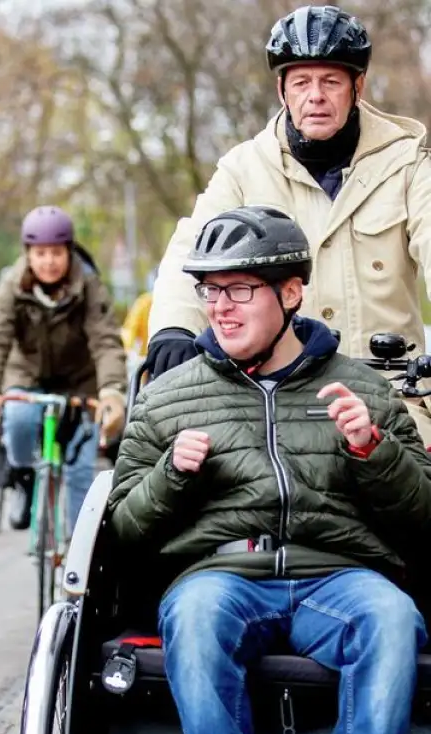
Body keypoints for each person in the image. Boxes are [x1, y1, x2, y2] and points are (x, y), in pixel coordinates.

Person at [110, 206, 431, 734]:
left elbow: (424, 519)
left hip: (338, 573)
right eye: (210, 291)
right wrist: (172, 474)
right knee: (195, 618)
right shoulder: (168, 397)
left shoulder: (364, 389)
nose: (219, 309)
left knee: (393, 618)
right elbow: (123, 531)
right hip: (221, 575)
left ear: (290, 293)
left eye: (238, 290)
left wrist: (374, 451)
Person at [145, 5, 431, 441]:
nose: (315, 95)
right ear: (282, 91)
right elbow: (191, 250)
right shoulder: (243, 169)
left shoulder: (408, 162)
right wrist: (172, 327)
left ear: (358, 87)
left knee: (412, 488)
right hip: (274, 397)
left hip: (392, 396)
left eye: (331, 81)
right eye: (301, 82)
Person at [0, 206, 127, 532]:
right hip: (25, 375)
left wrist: (112, 390)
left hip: (79, 381)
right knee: (18, 421)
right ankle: (24, 479)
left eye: (56, 253)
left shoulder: (89, 285)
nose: (48, 261)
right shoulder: (11, 287)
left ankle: (77, 552)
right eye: (40, 253)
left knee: (80, 469)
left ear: (68, 251)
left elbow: (106, 343)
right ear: (28, 254)